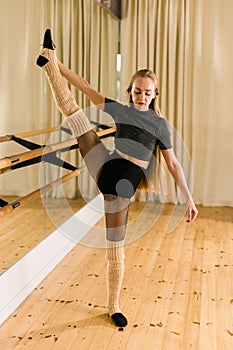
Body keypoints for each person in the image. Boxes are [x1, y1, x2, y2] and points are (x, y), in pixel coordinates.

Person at [36, 29, 198, 328]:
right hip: (107, 167)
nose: (142, 96)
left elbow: (173, 163)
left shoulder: (159, 125)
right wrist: (57, 64)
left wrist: (188, 198)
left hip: (125, 182)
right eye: (137, 91)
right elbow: (84, 87)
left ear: (155, 95)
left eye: (148, 93)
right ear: (131, 91)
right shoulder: (122, 111)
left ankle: (113, 305)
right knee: (75, 114)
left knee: (115, 246)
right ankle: (48, 59)